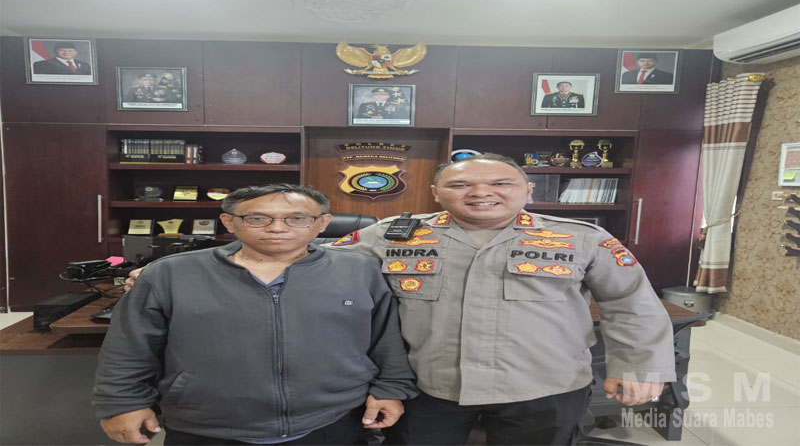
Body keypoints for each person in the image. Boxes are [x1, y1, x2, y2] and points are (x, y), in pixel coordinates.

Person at [126, 155, 676, 445]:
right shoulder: (393, 234)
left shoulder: (581, 238)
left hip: (544, 386)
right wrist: (177, 267)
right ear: (437, 192)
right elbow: (298, 247)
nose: (481, 192)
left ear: (527, 191)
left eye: (501, 184)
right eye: (460, 185)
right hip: (429, 386)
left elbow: (632, 302)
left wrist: (641, 367)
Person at [95, 184, 417, 445]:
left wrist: (390, 390)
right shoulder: (170, 274)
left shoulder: (359, 270)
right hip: (207, 426)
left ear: (322, 223)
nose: (277, 227)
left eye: (297, 218)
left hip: (333, 421)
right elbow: (129, 347)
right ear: (229, 222)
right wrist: (121, 404)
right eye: (257, 218)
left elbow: (385, 338)